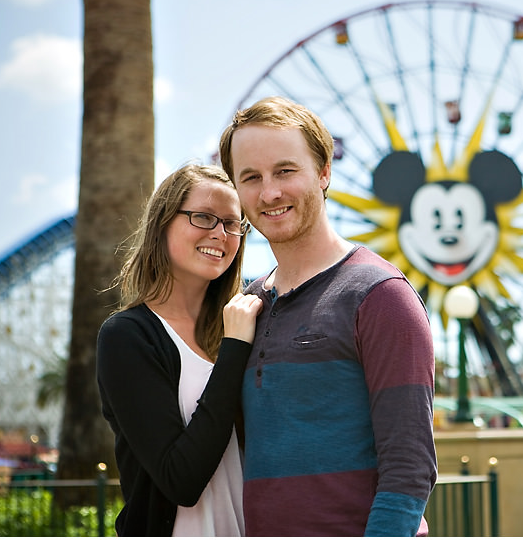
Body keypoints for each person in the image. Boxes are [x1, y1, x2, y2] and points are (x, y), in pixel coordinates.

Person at [218, 96, 438, 536]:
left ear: (323, 172)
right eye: (251, 178)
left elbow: (409, 468)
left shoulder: (379, 296)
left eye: (285, 171)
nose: (269, 193)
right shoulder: (245, 305)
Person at [96, 163, 263, 536]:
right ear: (163, 223)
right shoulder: (127, 337)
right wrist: (235, 348)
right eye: (203, 217)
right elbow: (181, 480)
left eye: (233, 223)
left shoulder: (246, 322)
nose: (220, 234)